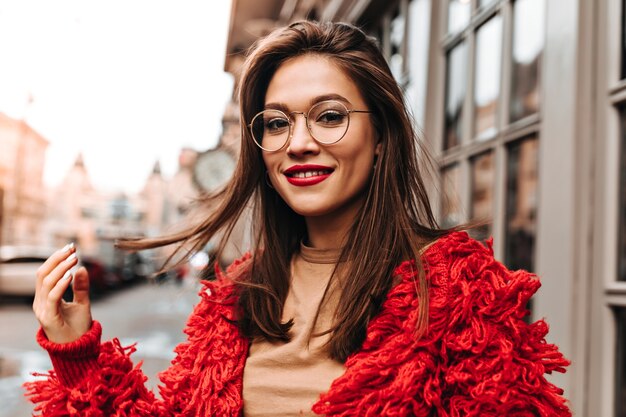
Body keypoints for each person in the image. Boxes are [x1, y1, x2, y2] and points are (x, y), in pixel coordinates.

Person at [26, 21, 571, 416]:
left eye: (329, 116)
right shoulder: (238, 294)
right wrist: (78, 354)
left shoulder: (459, 292)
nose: (300, 143)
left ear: (381, 135)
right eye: (278, 123)